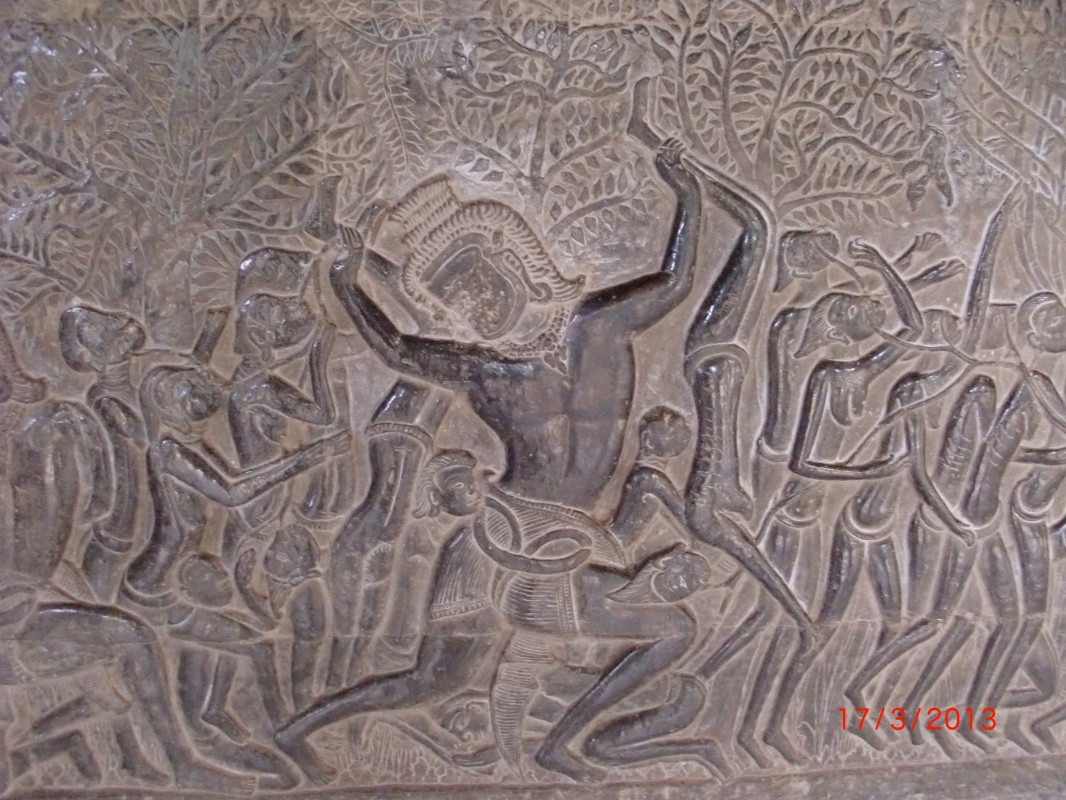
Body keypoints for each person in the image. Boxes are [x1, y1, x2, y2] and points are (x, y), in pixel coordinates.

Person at [275, 449, 721, 784]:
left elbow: (571, 534)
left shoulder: (505, 505)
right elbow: (519, 562)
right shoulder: (477, 535)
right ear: (440, 503)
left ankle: (560, 742)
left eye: (466, 483)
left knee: (676, 628)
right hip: (492, 597)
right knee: (428, 684)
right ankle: (299, 730)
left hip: (548, 589)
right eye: (453, 493)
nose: (466, 493)